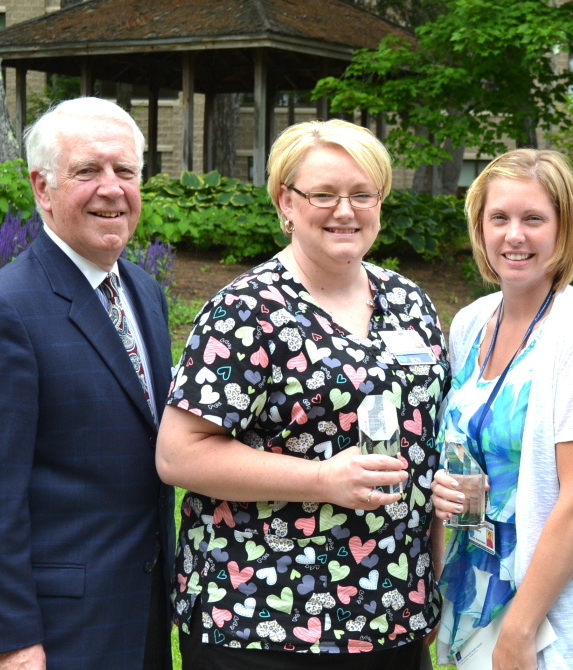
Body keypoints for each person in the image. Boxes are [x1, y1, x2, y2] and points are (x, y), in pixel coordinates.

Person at [156, 119, 449, 668]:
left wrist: (429, 579)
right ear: (285, 201)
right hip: (260, 620)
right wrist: (321, 479)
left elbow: (427, 443)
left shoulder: (410, 303)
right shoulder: (247, 310)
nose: (346, 210)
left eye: (363, 193)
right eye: (324, 194)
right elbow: (178, 453)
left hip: (392, 616)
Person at [0, 97, 175, 670]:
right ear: (42, 187)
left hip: (133, 619)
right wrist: (10, 644)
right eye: (88, 171)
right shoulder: (0, 313)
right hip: (45, 635)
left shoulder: (144, 293)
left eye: (126, 172)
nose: (112, 189)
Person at [430, 149, 573, 669]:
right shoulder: (473, 322)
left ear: (563, 229)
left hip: (557, 622)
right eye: (499, 218)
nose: (514, 235)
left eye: (533, 219)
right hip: (477, 600)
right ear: (479, 227)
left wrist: (520, 630)